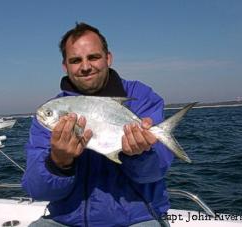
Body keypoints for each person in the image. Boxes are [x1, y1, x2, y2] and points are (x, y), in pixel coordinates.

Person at [22, 23, 173, 227]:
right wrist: (58, 162)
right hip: (66, 221)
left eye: (93, 57)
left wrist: (139, 154)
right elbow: (36, 191)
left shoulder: (140, 97)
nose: (85, 67)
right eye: (76, 60)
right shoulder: (50, 114)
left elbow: (156, 171)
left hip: (137, 219)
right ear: (65, 66)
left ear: (108, 58)